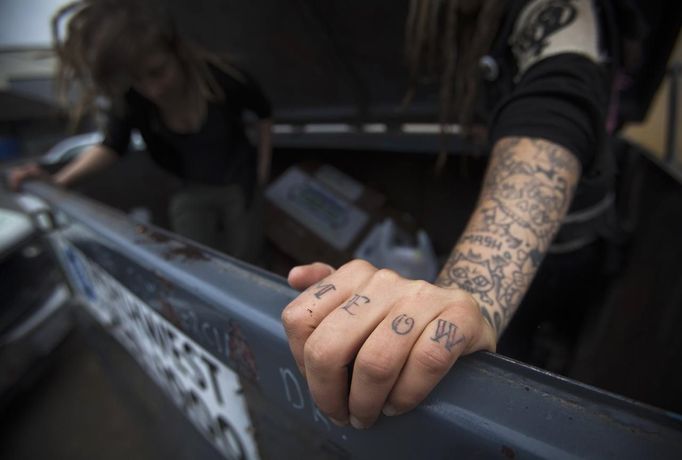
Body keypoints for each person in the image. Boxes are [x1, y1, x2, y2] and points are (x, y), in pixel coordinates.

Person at [281, 0, 633, 430]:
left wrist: (465, 305)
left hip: (575, 243)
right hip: (545, 251)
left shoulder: (558, 11)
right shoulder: (459, 24)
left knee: (552, 340)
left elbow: (553, 116)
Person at [9, 0, 273, 262]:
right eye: (137, 79)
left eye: (157, 72)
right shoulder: (133, 100)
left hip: (240, 184)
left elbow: (264, 115)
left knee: (246, 257)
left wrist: (262, 171)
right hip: (192, 188)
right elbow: (112, 145)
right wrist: (57, 181)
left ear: (176, 52)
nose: (153, 90)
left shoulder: (223, 79)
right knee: (192, 257)